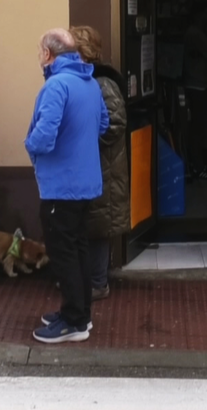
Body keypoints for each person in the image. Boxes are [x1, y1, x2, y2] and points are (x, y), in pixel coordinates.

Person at [26, 28, 109, 344]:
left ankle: (73, 320)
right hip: (85, 183)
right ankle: (79, 315)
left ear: (48, 54)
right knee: (78, 250)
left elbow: (44, 136)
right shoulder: (89, 83)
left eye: (39, 52)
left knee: (64, 254)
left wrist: (30, 145)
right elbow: (103, 124)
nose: (39, 57)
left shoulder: (56, 85)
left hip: (60, 186)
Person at [70, 25, 129, 302]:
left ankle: (97, 281)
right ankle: (90, 279)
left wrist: (85, 141)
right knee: (91, 224)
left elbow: (116, 123)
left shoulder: (103, 83)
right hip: (95, 164)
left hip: (103, 166)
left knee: (98, 226)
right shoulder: (90, 80)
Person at [182, 7, 207, 179]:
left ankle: (195, 163)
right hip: (198, 86)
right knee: (198, 127)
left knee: (196, 126)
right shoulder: (197, 34)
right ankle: (197, 166)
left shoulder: (193, 33)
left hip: (195, 83)